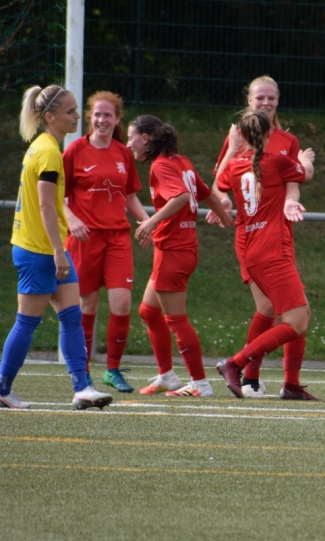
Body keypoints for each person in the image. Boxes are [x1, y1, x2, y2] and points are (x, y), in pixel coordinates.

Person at [0, 85, 113, 410]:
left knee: (72, 316)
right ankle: (2, 387)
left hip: (43, 248)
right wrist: (57, 251)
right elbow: (47, 206)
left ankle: (83, 388)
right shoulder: (48, 152)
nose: (78, 116)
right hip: (39, 250)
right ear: (50, 117)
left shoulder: (44, 146)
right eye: (70, 111)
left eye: (76, 109)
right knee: (27, 321)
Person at [210, 75, 319, 400]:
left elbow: (220, 182)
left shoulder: (243, 159)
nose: (266, 102)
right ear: (249, 101)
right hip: (267, 242)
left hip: (263, 239)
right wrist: (306, 161)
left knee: (295, 310)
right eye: (260, 98)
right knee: (289, 315)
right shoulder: (266, 153)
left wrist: (289, 202)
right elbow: (303, 174)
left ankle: (288, 384)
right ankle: (240, 367)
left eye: (271, 97)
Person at [127, 115, 233, 397]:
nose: (129, 144)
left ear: (145, 138)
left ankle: (200, 384)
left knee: (175, 319)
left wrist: (151, 222)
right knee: (148, 311)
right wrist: (224, 218)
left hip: (174, 250)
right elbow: (207, 194)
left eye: (131, 138)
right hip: (179, 248)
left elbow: (182, 197)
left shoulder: (161, 165)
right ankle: (167, 376)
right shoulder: (179, 160)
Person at [63, 91, 149, 393]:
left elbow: (129, 196)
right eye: (97, 114)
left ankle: (112, 370)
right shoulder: (75, 150)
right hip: (84, 238)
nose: (102, 119)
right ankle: (84, 373)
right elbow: (55, 195)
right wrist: (72, 220)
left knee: (122, 303)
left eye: (107, 115)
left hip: (117, 237)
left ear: (117, 119)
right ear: (90, 117)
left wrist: (146, 221)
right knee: (87, 304)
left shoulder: (123, 153)